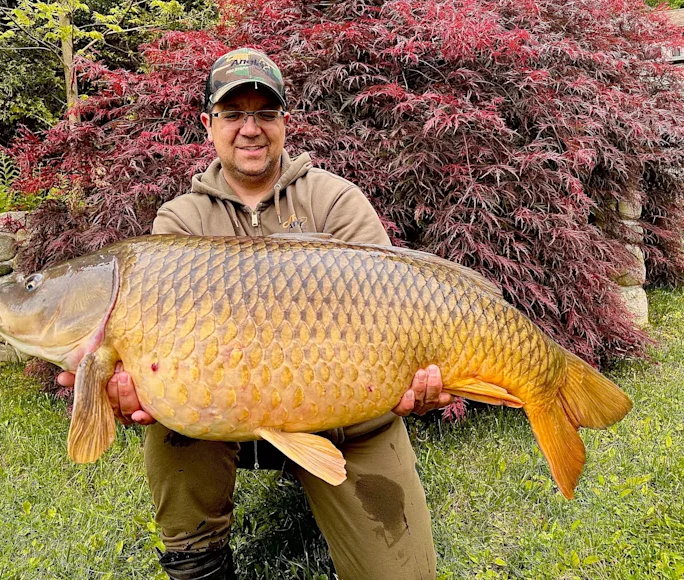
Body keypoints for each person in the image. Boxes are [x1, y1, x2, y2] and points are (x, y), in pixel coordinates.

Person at [57, 48, 453, 580]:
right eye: (233, 113)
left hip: (346, 423)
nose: (250, 128)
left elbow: (402, 307)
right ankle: (197, 561)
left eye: (265, 113)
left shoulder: (336, 202)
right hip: (218, 428)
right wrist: (127, 388)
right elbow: (152, 355)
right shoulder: (181, 220)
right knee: (173, 416)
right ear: (208, 124)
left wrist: (420, 384)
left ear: (284, 122)